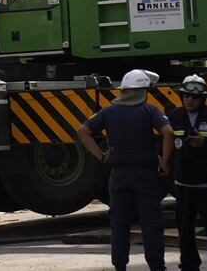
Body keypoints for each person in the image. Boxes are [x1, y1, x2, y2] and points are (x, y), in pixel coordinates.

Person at [78, 69, 174, 271]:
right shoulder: (149, 110)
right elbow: (168, 133)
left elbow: (83, 131)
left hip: (119, 176)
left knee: (120, 224)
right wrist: (165, 162)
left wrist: (101, 155)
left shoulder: (109, 111)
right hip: (146, 175)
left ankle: (120, 265)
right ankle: (157, 266)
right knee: (151, 224)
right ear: (143, 90)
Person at [168, 75, 207, 271]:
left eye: (194, 97)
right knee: (184, 230)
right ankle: (189, 265)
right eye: (186, 96)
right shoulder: (174, 116)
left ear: (202, 99)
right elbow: (166, 144)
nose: (189, 100)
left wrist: (205, 143)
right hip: (183, 184)